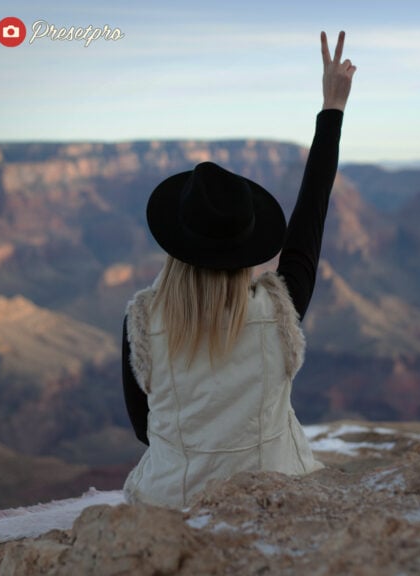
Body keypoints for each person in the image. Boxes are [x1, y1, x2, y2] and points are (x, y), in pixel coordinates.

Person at [120, 31, 357, 508]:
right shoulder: (281, 307)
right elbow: (311, 217)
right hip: (276, 495)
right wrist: (332, 108)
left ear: (177, 244)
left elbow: (145, 428)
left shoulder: (142, 322)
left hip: (171, 501)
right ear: (247, 245)